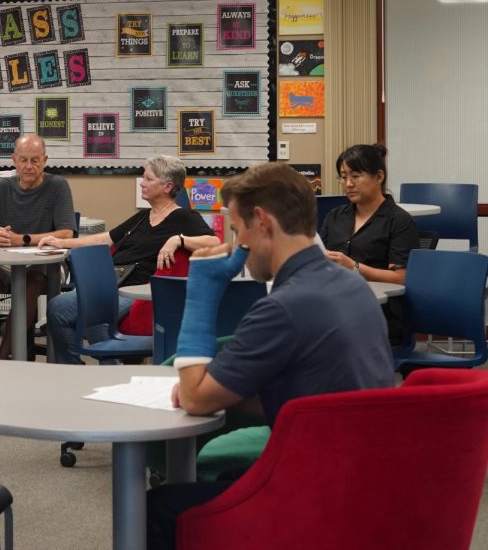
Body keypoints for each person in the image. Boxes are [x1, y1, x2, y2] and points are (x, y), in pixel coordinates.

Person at [146, 162, 395, 549]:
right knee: (229, 480)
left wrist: (201, 291)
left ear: (261, 221)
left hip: (317, 495)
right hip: (363, 480)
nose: (237, 246)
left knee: (161, 508)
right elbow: (317, 395)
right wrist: (230, 392)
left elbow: (194, 398)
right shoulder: (348, 283)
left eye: (237, 230)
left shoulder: (283, 307)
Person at [39, 156, 219, 364]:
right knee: (66, 307)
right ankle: (103, 365)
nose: (142, 183)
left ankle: (79, 369)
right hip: (113, 285)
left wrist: (178, 239)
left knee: (58, 308)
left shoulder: (184, 217)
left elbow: (214, 242)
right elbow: (105, 238)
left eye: (148, 179)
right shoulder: (143, 217)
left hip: (137, 293)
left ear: (167, 186)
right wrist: (61, 243)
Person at [0, 134, 75, 359]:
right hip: (7, 262)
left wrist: (22, 239)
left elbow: (67, 233)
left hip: (48, 265)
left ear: (45, 160)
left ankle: (7, 357)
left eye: (35, 161)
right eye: (23, 160)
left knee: (29, 284)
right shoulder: (1, 187)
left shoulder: (57, 186)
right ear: (14, 160)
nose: (28, 166)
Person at [319, 143, 419, 344]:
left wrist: (354, 267)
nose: (348, 183)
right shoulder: (335, 216)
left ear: (379, 177)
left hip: (379, 312)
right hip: (338, 304)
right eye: (343, 176)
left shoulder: (399, 221)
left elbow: (401, 278)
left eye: (355, 176)